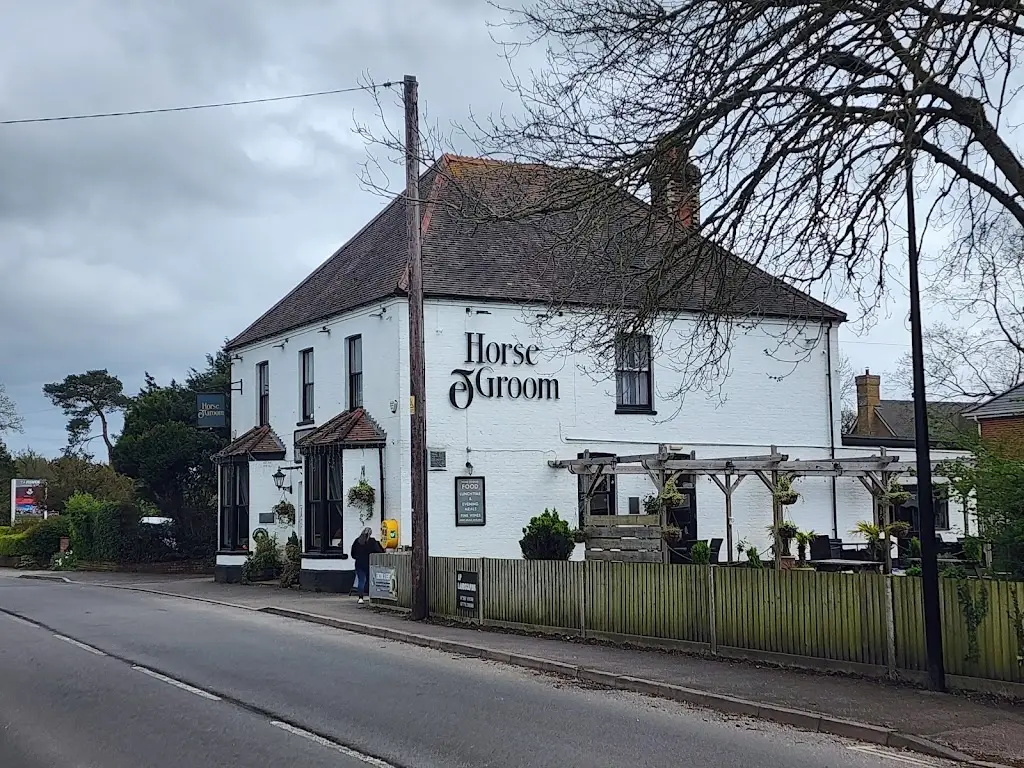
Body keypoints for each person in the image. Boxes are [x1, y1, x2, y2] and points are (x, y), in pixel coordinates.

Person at [350, 526, 384, 604]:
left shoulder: (357, 541)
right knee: (370, 580)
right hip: (369, 563)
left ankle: (360, 598)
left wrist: (358, 557)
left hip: (359, 564)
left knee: (361, 581)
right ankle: (371, 596)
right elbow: (380, 551)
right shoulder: (372, 542)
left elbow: (353, 554)